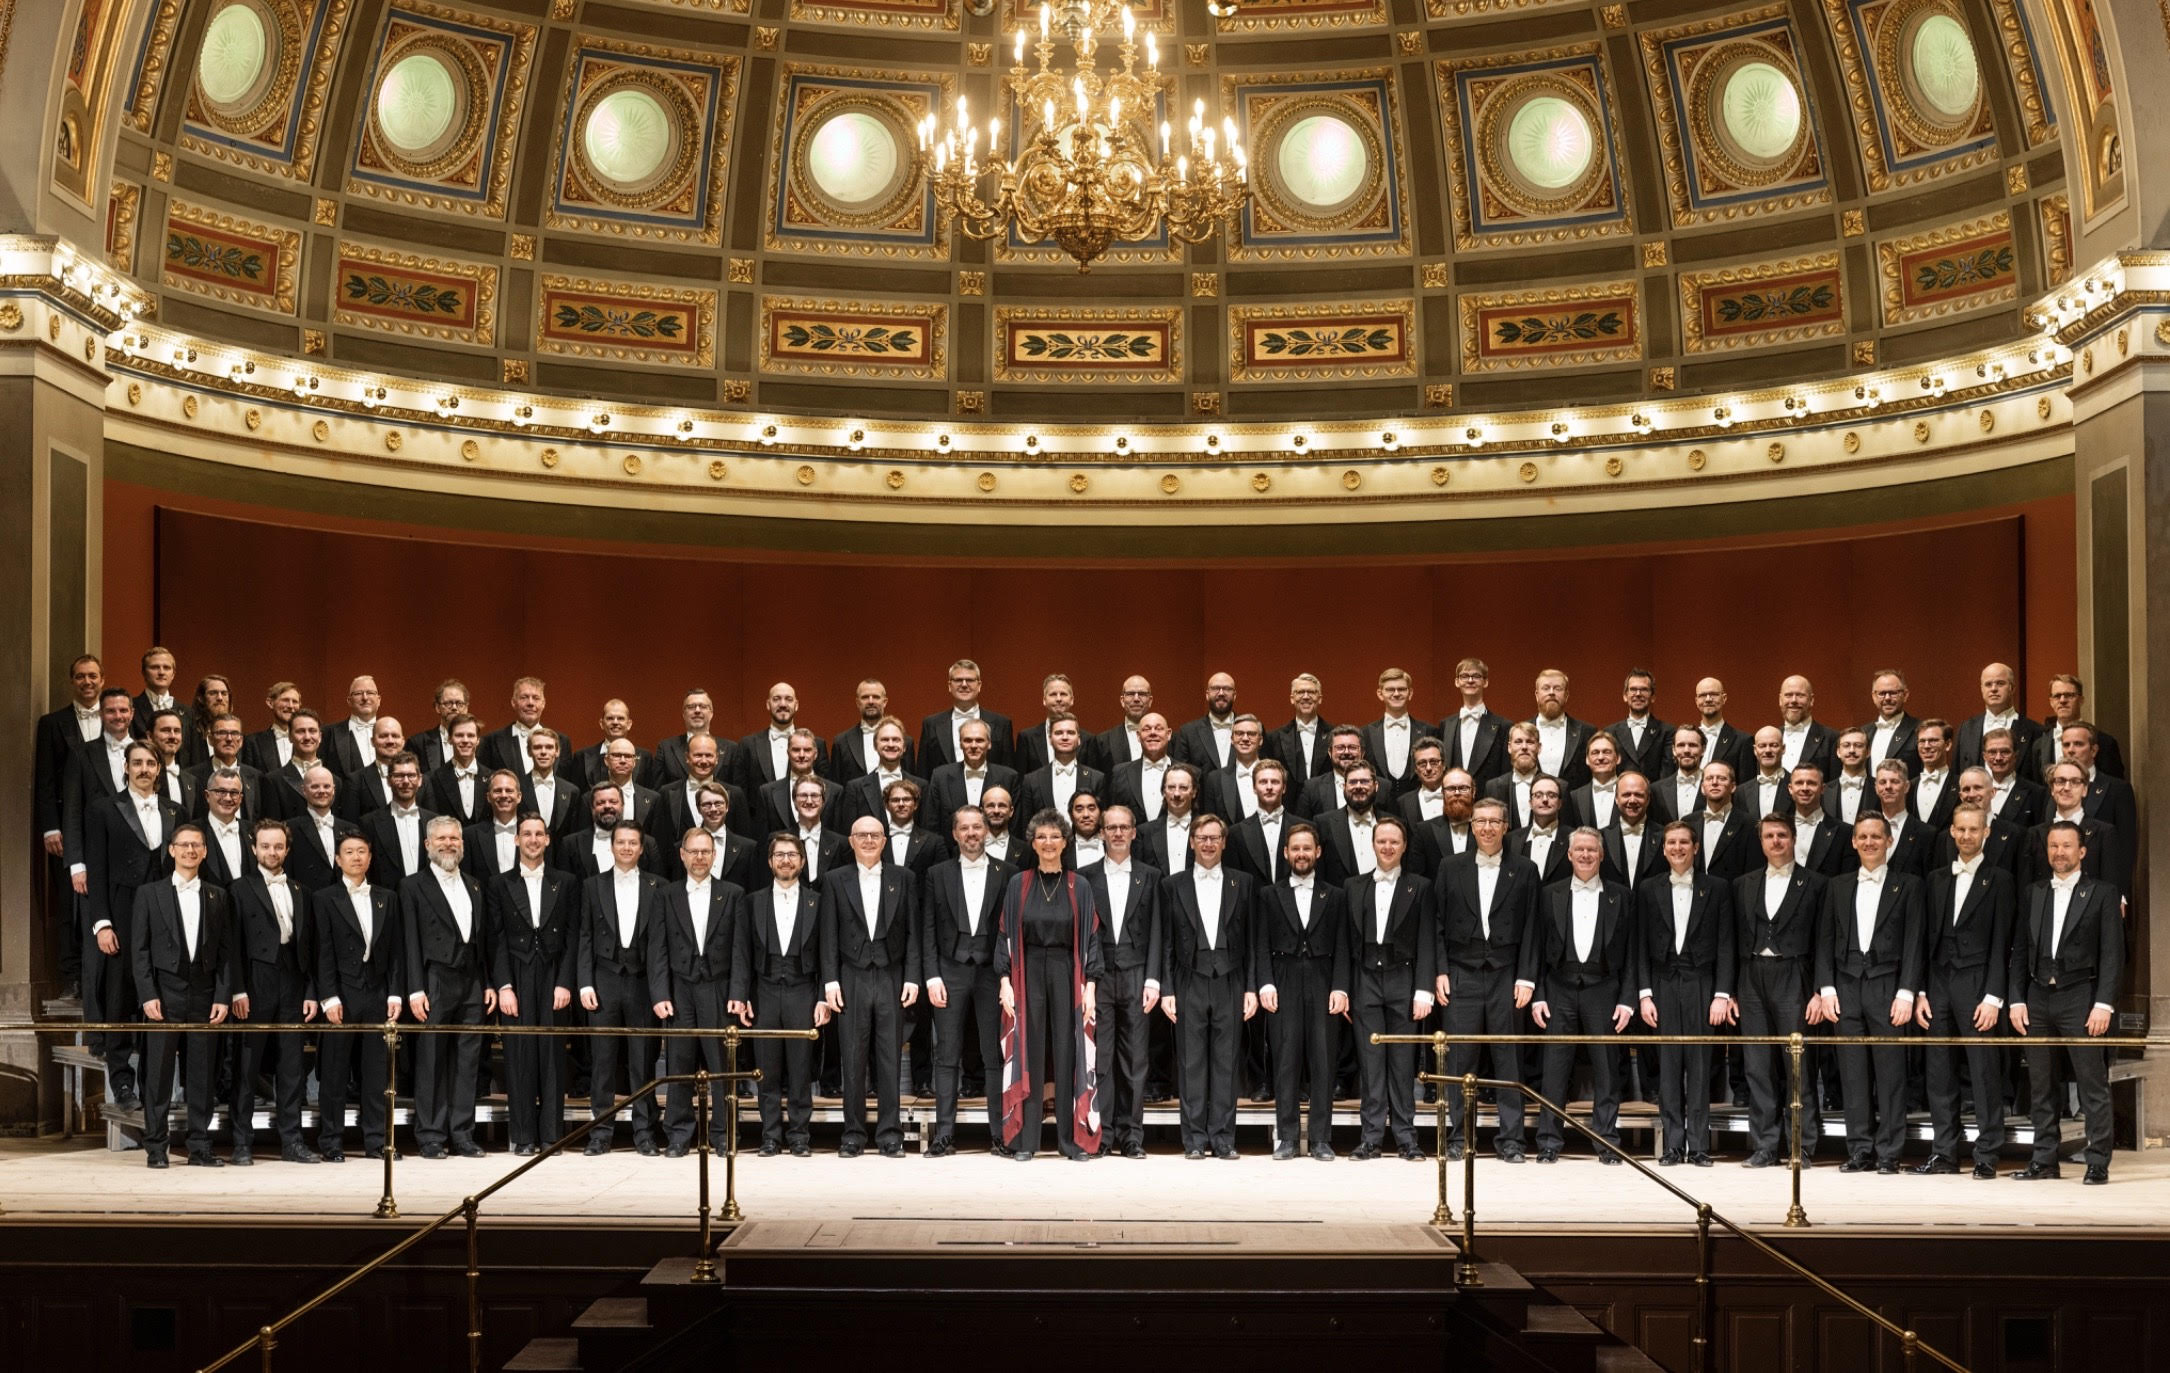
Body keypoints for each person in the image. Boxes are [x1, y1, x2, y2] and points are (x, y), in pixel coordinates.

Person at [2007, 821, 2121, 1184]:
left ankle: (2098, 1160)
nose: (2059, 852)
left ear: (2082, 851)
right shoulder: (2034, 891)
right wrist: (2016, 999)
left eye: (2067, 846)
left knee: (2091, 1084)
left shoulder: (2102, 893)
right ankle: (2044, 1159)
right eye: (2053, 846)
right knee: (2041, 1084)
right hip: (2037, 996)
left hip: (2080, 996)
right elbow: (2020, 949)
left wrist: (2103, 1004)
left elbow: (2112, 954)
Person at [1816, 814, 1924, 1175]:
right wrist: (1826, 988)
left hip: (1887, 985)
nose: (1869, 842)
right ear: (1853, 842)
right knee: (1852, 1073)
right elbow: (1825, 940)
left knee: (1891, 1073)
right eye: (1862, 837)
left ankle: (1890, 1151)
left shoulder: (1908, 885)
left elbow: (1914, 942)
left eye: (1876, 836)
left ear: (1889, 841)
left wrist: (1907, 992)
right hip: (1846, 985)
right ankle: (1860, 1149)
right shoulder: (1838, 885)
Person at [996, 809, 1105, 1161]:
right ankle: (1026, 1141)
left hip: (1067, 972)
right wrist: (1004, 982)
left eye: (1055, 836)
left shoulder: (1079, 885)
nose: (1048, 842)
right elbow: (1004, 934)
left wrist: (1090, 985)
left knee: (1067, 1052)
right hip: (1025, 972)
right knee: (1029, 1051)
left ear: (1065, 842)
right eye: (1041, 836)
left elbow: (1092, 938)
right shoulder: (1019, 884)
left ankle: (1071, 1142)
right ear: (1032, 842)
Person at [79, 738, 181, 1112]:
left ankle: (152, 1087)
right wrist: (102, 924)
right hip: (120, 914)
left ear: (159, 769)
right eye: (136, 763)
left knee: (157, 1001)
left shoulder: (175, 811)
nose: (143, 769)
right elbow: (96, 868)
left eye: (150, 763)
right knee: (119, 1000)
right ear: (125, 767)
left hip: (163, 917)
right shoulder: (103, 809)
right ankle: (122, 1083)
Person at [1914, 803, 2015, 1179]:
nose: (1967, 836)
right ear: (1952, 833)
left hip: (1977, 983)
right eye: (1961, 829)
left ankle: (1987, 1153)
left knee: (1983, 1070)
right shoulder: (1936, 878)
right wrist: (1920, 991)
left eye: (1974, 829)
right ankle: (1943, 1152)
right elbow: (1924, 940)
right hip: (1938, 982)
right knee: (1938, 1070)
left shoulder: (2000, 879)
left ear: (1986, 832)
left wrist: (1993, 996)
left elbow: (2003, 943)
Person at [1435, 798, 1538, 1161]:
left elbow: (1532, 928)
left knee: (1508, 1058)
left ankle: (1512, 1140)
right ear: (1472, 826)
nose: (1487, 828)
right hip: (1461, 971)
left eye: (1495, 822)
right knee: (1460, 1058)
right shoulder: (1450, 866)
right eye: (1481, 822)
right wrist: (1440, 970)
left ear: (1506, 826)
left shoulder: (1525, 869)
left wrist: (1526, 977)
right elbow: (1437, 923)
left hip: (1506, 973)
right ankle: (1459, 1138)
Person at [130, 823, 233, 1168]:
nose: (190, 850)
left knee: (202, 1075)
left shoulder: (218, 896)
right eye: (184, 845)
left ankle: (200, 1147)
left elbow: (225, 953)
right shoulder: (149, 893)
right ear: (172, 850)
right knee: (158, 1076)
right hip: (164, 993)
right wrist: (148, 994)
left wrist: (222, 996)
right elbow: (139, 951)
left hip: (204, 995)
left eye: (196, 845)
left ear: (205, 852)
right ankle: (156, 1147)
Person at [1529, 830, 1634, 1163]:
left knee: (1607, 1069)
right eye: (1579, 850)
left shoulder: (1621, 895)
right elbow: (1536, 947)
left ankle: (1607, 1142)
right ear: (1569, 855)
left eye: (1591, 850)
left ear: (1601, 855)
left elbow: (1632, 952)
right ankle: (1548, 1142)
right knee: (1554, 1069)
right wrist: (1538, 994)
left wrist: (1627, 999)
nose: (1585, 855)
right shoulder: (1550, 894)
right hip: (1559, 987)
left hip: (1604, 988)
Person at [1727, 818, 1827, 1167]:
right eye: (1769, 836)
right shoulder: (1743, 884)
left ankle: (1801, 1145)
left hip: (1794, 974)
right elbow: (1732, 939)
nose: (1776, 841)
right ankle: (1765, 1146)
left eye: (1782, 835)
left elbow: (1824, 940)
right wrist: (1730, 990)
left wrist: (1819, 990)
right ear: (1761, 842)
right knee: (1757, 1064)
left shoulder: (1815, 883)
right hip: (1751, 975)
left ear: (1793, 838)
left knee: (1797, 1063)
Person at [1635, 822, 1734, 1167]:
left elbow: (1726, 944)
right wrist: (1644, 994)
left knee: (1701, 1066)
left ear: (1695, 848)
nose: (1677, 848)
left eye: (1683, 842)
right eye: (1671, 843)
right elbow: (1640, 946)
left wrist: (1722, 994)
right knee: (1668, 1068)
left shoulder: (1717, 888)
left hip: (1701, 983)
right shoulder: (1648, 889)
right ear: (1663, 849)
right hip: (1662, 983)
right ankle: (1673, 1145)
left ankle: (1700, 1145)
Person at [821, 816, 920, 1158]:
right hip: (852, 976)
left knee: (889, 1057)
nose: (868, 840)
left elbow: (913, 932)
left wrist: (912, 976)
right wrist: (830, 981)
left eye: (875, 835)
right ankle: (853, 1134)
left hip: (892, 975)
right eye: (861, 835)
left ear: (884, 840)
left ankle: (890, 1134)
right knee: (853, 1058)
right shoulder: (835, 879)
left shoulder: (903, 878)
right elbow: (828, 934)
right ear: (851, 841)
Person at [1161, 813, 1255, 1159]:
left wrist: (1252, 987)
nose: (1208, 844)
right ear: (1192, 842)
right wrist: (1167, 989)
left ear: (1224, 842)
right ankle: (1195, 1140)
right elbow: (1166, 943)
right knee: (1191, 1063)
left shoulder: (1243, 883)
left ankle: (1224, 1137)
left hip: (1231, 978)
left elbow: (1252, 940)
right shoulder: (1173, 885)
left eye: (1215, 838)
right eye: (1202, 837)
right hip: (1189, 978)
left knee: (1226, 1062)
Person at [920, 806, 1014, 1156]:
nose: (971, 833)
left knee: (994, 1055)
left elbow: (1010, 930)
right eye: (964, 828)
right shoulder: (937, 873)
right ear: (955, 834)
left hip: (992, 973)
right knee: (946, 1055)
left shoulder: (1007, 872)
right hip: (949, 971)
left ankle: (1000, 1134)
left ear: (986, 831)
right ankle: (944, 1134)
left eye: (977, 827)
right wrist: (932, 975)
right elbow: (928, 927)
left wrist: (1007, 977)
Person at [650, 828, 748, 1158]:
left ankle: (723, 1134)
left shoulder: (732, 894)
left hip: (718, 987)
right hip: (680, 988)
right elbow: (657, 948)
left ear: (714, 855)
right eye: (693, 851)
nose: (700, 857)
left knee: (721, 1064)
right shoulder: (666, 894)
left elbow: (740, 949)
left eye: (706, 851)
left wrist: (738, 991)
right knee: (679, 1062)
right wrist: (660, 993)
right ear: (682, 855)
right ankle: (678, 1135)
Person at [227, 819, 320, 1165]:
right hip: (255, 982)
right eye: (265, 846)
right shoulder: (239, 889)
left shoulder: (301, 890)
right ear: (254, 849)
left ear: (287, 849)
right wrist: (237, 991)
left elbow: (310, 947)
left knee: (292, 1067)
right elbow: (232, 946)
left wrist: (311, 990)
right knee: (247, 1067)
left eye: (278, 846)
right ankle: (241, 1143)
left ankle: (292, 1142)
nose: (272, 852)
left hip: (293, 981)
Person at [1258, 821, 1350, 1161]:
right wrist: (1265, 982)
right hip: (1283, 978)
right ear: (1285, 853)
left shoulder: (1335, 895)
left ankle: (1321, 1139)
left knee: (1323, 1059)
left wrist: (1340, 986)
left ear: (1318, 852)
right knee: (1286, 1059)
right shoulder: (1269, 894)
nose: (1301, 854)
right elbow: (1260, 943)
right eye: (1295, 848)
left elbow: (1343, 945)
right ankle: (1287, 1137)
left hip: (1323, 978)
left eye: (1307, 848)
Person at [489, 815, 580, 1155]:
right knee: (519, 1055)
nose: (532, 839)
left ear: (547, 839)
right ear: (516, 840)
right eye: (526, 834)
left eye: (538, 834)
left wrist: (565, 982)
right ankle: (524, 1136)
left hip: (553, 974)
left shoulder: (566, 882)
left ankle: (552, 1136)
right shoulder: (499, 884)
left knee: (553, 1056)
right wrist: (504, 986)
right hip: (516, 973)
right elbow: (496, 939)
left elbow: (572, 936)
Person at [403, 817, 493, 1159]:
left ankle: (462, 1134)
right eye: (441, 838)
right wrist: (415, 988)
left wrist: (487, 982)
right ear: (428, 845)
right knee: (431, 1059)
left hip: (471, 980)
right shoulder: (412, 886)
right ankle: (430, 1135)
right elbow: (409, 941)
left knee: (468, 1061)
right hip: (434, 979)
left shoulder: (474, 885)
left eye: (454, 838)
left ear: (462, 844)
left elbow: (483, 941)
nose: (448, 844)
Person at [311, 833, 404, 1163]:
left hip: (376, 992)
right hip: (342, 994)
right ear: (338, 860)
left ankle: (377, 1140)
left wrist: (395, 992)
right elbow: (321, 951)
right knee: (334, 1071)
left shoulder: (387, 897)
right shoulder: (324, 898)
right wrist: (328, 997)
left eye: (362, 851)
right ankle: (331, 1141)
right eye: (349, 852)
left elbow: (396, 951)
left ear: (370, 857)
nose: (356, 857)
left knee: (377, 1073)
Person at [578, 822, 666, 1156]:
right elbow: (585, 936)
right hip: (604, 980)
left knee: (642, 1061)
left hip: (642, 982)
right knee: (602, 1061)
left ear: (641, 849)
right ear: (611, 846)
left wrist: (659, 991)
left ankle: (645, 1132)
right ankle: (600, 1133)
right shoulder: (592, 885)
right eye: (621, 842)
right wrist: (584, 982)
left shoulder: (658, 886)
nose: (626, 848)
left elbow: (660, 945)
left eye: (632, 843)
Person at [737, 834, 827, 1157]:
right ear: (770, 861)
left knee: (801, 1068)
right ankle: (770, 1136)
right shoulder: (752, 901)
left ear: (802, 862)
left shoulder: (818, 901)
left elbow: (827, 953)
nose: (786, 860)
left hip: (803, 990)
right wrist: (742, 995)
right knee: (767, 1069)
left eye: (792, 855)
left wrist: (823, 996)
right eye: (779, 855)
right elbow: (742, 953)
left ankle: (800, 1135)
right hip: (764, 990)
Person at [1080, 805, 1161, 1158]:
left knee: (1135, 1060)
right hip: (1099, 976)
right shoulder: (1085, 877)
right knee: (1101, 1058)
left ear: (1133, 832)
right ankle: (1103, 1134)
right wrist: (1085, 979)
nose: (1117, 833)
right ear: (1101, 832)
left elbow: (1158, 931)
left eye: (1123, 827)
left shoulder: (1151, 876)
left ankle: (1131, 1136)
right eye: (1110, 827)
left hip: (1137, 974)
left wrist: (1154, 979)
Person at [927, 719, 1020, 838]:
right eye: (967, 740)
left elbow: (1015, 826)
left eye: (979, 740)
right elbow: (932, 825)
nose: (974, 746)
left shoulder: (1009, 777)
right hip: (951, 849)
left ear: (989, 744)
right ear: (960, 744)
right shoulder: (940, 777)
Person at [919, 659, 1014, 772]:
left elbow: (1009, 772)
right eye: (958, 680)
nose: (964, 685)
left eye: (970, 680)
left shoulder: (1002, 724)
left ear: (979, 685)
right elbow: (922, 772)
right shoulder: (931, 724)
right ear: (949, 686)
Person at [1954, 662, 2040, 774]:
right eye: (1988, 684)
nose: (1993, 689)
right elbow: (1957, 775)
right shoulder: (1966, 729)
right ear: (1982, 689)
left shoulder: (2035, 731)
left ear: (2012, 688)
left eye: (2000, 683)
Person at [1362, 668, 1431, 797]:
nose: (1396, 693)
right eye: (1390, 689)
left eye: (1402, 689)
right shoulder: (1365, 733)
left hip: (1417, 801)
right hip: (1378, 802)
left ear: (1410, 693)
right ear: (1380, 694)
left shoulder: (1428, 731)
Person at [1443, 658, 1510, 787]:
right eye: (1464, 676)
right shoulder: (1445, 725)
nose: (1470, 680)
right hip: (1454, 796)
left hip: (1488, 797)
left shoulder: (1504, 726)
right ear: (1457, 682)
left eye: (1476, 676)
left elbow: (1505, 773)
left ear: (1485, 682)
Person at [831, 679, 914, 782]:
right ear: (857, 703)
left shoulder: (906, 742)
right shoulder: (841, 742)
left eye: (876, 697)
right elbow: (836, 786)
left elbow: (911, 782)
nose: (870, 701)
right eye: (865, 697)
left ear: (885, 702)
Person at [419, 715, 489, 828]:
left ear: (478, 740)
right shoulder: (432, 779)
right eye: (459, 735)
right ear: (449, 739)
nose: (465, 740)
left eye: (471, 735)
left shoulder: (492, 778)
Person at [1267, 673, 1331, 788]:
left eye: (1311, 692)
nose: (1306, 697)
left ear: (1320, 699)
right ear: (1292, 699)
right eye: (1300, 692)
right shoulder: (1274, 738)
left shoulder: (1335, 735)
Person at [1606, 668, 1670, 783]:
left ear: (1653, 697)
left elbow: (1666, 777)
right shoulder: (1610, 732)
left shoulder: (1667, 732)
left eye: (1644, 689)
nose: (1638, 694)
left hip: (1653, 793)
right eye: (1633, 689)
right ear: (1625, 696)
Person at [1173, 672, 1240, 771]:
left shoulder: (1252, 730)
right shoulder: (1188, 732)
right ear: (1207, 695)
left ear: (1234, 695)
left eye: (1227, 689)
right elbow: (1180, 773)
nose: (1221, 693)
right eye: (1215, 688)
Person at [1014, 673, 1078, 775]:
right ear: (1044, 700)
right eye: (1053, 694)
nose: (1058, 699)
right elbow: (1021, 779)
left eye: (1063, 694)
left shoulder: (1087, 740)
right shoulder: (1027, 738)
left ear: (1072, 700)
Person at [1860, 671, 1922, 776]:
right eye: (1882, 693)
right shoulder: (1863, 733)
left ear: (1905, 695)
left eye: (1893, 693)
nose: (1887, 698)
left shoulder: (1920, 730)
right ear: (1874, 697)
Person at [1094, 675, 1155, 773]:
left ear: (1150, 701)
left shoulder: (1167, 739)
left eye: (1142, 694)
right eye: (1130, 694)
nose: (1136, 699)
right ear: (1122, 700)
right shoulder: (1103, 740)